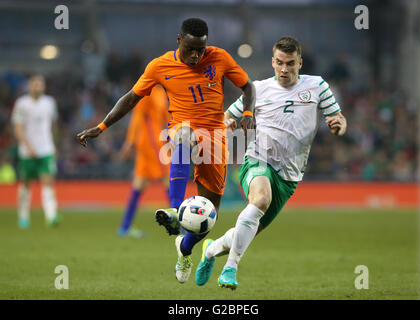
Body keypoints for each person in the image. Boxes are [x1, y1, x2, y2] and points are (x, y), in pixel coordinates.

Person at [76, 18, 255, 283]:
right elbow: (130, 98)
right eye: (191, 49)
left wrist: (248, 112)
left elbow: (248, 87)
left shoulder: (219, 58)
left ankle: (185, 249)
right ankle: (174, 210)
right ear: (179, 40)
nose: (196, 55)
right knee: (183, 133)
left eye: (200, 49)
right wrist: (101, 126)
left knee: (209, 216)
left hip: (216, 139)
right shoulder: (159, 66)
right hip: (182, 130)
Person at [194, 36, 347, 290]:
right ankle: (230, 268)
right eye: (279, 63)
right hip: (258, 158)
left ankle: (211, 250)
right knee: (260, 199)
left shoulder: (317, 86)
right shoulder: (256, 89)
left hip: (289, 175)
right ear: (272, 61)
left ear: (300, 62)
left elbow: (338, 118)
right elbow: (225, 118)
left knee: (246, 231)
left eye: (290, 63)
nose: (284, 69)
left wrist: (339, 125)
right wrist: (225, 126)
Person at [117, 84, 170, 238]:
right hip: (151, 146)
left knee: (139, 184)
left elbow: (164, 115)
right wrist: (129, 143)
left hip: (150, 145)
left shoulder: (159, 92)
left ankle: (125, 227)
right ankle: (184, 226)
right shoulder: (149, 92)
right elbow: (138, 117)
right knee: (169, 181)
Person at [11, 75, 59, 229]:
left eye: (40, 84)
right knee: (26, 183)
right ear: (29, 86)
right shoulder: (22, 103)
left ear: (43, 86)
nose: (37, 86)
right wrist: (27, 145)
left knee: (48, 181)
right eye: (34, 84)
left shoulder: (50, 103)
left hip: (46, 149)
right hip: (27, 150)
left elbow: (53, 125)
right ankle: (23, 216)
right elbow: (18, 128)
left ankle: (51, 216)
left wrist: (54, 144)